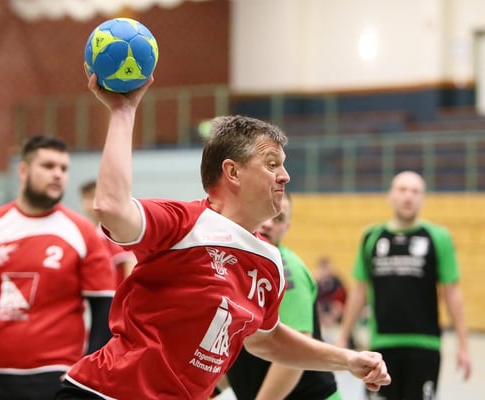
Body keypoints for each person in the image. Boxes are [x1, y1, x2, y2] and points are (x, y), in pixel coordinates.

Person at [54, 71, 391, 400]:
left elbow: (267, 340)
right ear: (232, 172)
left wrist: (347, 360)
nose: (285, 176)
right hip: (107, 392)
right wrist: (123, 111)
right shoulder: (183, 223)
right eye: (272, 164)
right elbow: (111, 207)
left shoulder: (270, 262)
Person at [0, 135, 116, 400]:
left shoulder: (82, 233)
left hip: (52, 376)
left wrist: (86, 371)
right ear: (23, 170)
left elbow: (105, 310)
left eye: (63, 168)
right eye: (48, 166)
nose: (58, 174)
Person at [337, 170, 472, 400]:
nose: (408, 196)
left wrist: (463, 345)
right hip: (381, 345)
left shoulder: (438, 237)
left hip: (425, 345)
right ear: (390, 196)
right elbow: (359, 291)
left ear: (423, 198)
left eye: (415, 191)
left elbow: (452, 293)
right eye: (402, 190)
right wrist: (343, 336)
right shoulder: (372, 237)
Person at [227, 193, 343, 400]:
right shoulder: (237, 265)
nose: (268, 224)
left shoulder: (286, 271)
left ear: (286, 228)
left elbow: (294, 356)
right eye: (265, 212)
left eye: (278, 218)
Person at [80, 179, 137, 286]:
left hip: (116, 293)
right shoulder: (89, 232)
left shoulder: (117, 232)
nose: (89, 203)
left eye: (92, 197)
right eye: (85, 198)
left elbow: (130, 267)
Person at [315, 256, 348, 329]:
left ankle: (330, 324)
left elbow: (341, 301)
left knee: (337, 307)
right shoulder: (316, 284)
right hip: (322, 309)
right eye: (323, 268)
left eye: (327, 268)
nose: (325, 272)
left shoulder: (337, 282)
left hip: (333, 310)